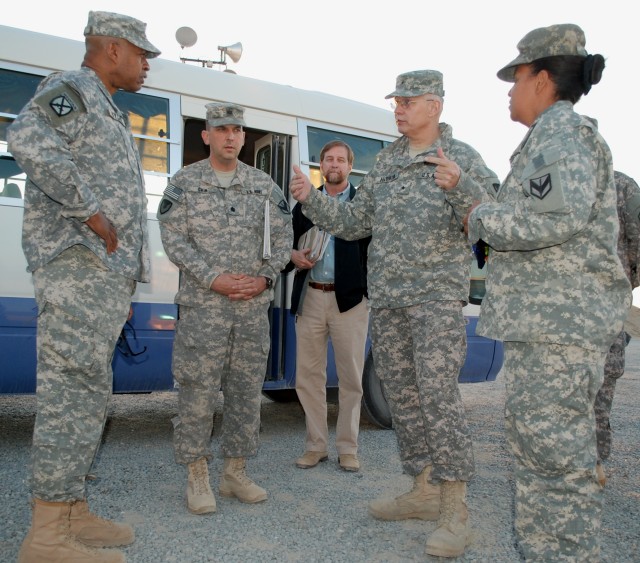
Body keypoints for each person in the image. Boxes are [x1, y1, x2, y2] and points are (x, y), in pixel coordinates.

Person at [290, 69, 500, 558]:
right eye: (396, 102)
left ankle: (454, 509)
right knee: (403, 399)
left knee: (437, 398)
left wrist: (461, 186)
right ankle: (422, 489)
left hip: (434, 300)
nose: (398, 109)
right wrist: (310, 199)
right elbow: (353, 223)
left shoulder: (460, 157)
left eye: (408, 101)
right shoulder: (384, 162)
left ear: (435, 106)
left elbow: (494, 219)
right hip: (387, 301)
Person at [464, 24, 632, 561]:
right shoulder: (552, 138)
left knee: (556, 464)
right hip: (549, 329)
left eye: (515, 78)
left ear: (541, 79)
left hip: (558, 329)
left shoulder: (562, 134)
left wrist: (481, 217)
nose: (509, 91)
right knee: (542, 458)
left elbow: (549, 221)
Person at [7, 10, 160, 563]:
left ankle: (70, 510)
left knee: (89, 393)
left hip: (100, 278)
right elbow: (28, 139)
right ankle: (45, 536)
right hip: (76, 267)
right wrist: (90, 212)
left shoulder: (106, 106)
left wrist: (122, 278)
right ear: (112, 49)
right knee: (70, 393)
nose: (147, 65)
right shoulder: (71, 89)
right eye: (142, 53)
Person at [157, 102, 293, 515]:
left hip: (252, 309)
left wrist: (265, 277)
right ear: (206, 135)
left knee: (247, 392)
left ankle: (235, 471)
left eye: (237, 130)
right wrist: (210, 276)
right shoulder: (185, 183)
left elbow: (284, 238)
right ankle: (197, 474)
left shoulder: (263, 185)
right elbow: (174, 239)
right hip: (204, 308)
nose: (230, 137)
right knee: (198, 392)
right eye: (222, 129)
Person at [284, 140, 370, 473]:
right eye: (328, 159)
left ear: (349, 167)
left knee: (351, 379)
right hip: (311, 297)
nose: (334, 164)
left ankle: (348, 449)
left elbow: (374, 254)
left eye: (340, 160)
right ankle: (315, 446)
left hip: (349, 302)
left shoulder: (362, 204)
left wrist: (366, 290)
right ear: (321, 166)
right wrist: (293, 258)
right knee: (308, 377)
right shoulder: (305, 203)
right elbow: (287, 247)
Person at [595, 170, 640, 486]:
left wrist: (622, 285)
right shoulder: (545, 176)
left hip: (606, 310)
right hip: (553, 311)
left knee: (599, 387)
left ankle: (593, 463)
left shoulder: (620, 185)